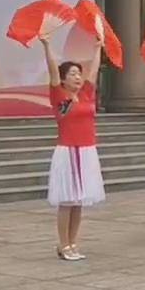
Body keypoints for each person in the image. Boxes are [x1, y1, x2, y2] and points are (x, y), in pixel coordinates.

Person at [39, 31, 104, 261]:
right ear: (64, 79)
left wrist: (98, 48)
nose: (77, 77)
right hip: (68, 151)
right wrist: (47, 45)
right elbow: (52, 70)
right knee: (67, 201)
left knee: (79, 202)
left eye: (79, 73)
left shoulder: (86, 94)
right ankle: (63, 244)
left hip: (87, 151)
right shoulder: (59, 96)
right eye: (72, 74)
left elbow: (94, 71)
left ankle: (74, 242)